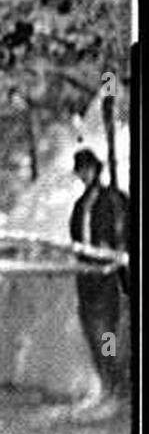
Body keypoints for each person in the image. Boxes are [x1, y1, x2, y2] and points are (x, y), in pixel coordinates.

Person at [69, 148, 129, 412]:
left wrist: (113, 252)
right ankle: (104, 384)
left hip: (108, 276)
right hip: (86, 277)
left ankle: (116, 388)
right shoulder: (81, 205)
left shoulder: (114, 200)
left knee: (107, 333)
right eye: (81, 170)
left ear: (96, 169)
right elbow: (75, 239)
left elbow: (124, 235)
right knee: (91, 331)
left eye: (88, 168)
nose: (85, 174)